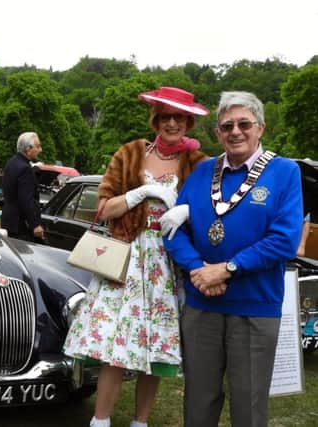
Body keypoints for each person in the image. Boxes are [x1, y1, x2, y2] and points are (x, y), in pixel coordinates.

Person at [63, 87, 210, 427]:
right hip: (125, 258)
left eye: (179, 117)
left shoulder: (200, 165)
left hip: (168, 262)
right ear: (156, 119)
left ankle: (140, 422)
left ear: (188, 122)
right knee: (114, 345)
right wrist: (141, 192)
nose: (172, 123)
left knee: (155, 348)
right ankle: (100, 420)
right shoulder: (130, 154)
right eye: (166, 117)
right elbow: (103, 208)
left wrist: (188, 210)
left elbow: (212, 213)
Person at [163, 91, 303, 427]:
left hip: (254, 307)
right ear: (217, 133)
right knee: (198, 402)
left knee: (249, 406)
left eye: (244, 124)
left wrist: (226, 270)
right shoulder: (201, 172)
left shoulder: (284, 172)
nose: (235, 132)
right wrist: (198, 269)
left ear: (260, 128)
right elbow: (173, 230)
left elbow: (284, 240)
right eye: (227, 126)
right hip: (202, 306)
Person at [0, 131, 45, 242]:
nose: (40, 150)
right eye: (38, 146)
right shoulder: (25, 169)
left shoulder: (11, 162)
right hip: (21, 225)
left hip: (8, 220)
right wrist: (35, 224)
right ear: (28, 149)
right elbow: (26, 199)